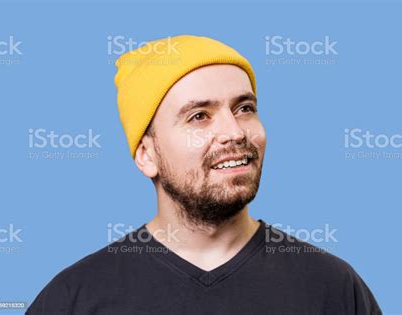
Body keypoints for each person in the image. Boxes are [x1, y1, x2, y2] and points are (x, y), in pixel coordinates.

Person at [27, 35, 382, 314]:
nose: (235, 131)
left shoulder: (333, 287)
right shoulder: (73, 299)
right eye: (199, 115)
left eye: (244, 108)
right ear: (147, 155)